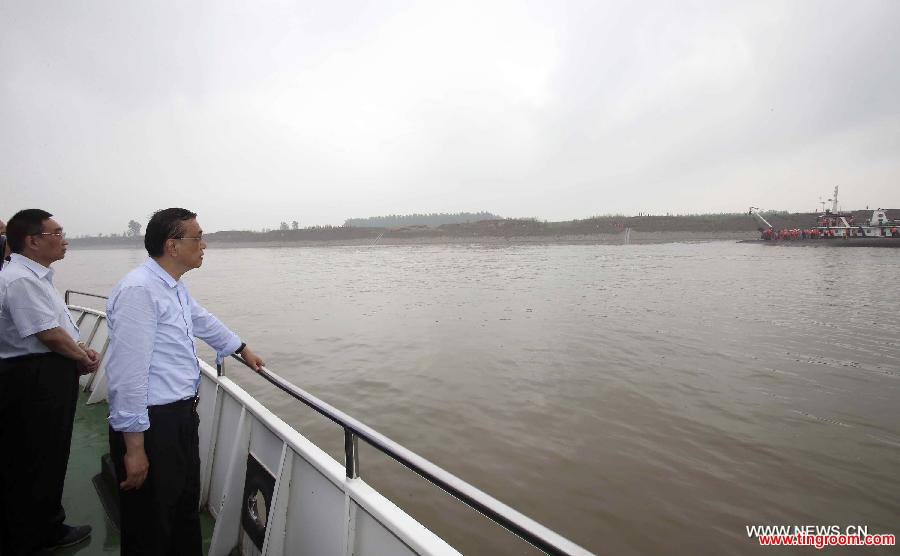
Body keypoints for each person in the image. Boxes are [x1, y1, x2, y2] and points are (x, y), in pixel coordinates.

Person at [105, 208, 264, 555]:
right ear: (172, 246)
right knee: (151, 522)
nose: (204, 244)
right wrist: (134, 448)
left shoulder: (171, 287)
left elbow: (201, 320)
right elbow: (127, 375)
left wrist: (240, 347)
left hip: (178, 417)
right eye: (197, 237)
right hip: (151, 424)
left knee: (181, 510)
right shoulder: (139, 291)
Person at [0, 209, 100, 555]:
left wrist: (78, 349)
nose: (64, 239)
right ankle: (42, 533)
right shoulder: (21, 279)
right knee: (42, 454)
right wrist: (81, 356)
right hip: (36, 377)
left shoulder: (34, 275)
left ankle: (33, 525)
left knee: (39, 451)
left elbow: (56, 328)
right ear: (32, 241)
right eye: (56, 233)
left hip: (42, 371)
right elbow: (48, 334)